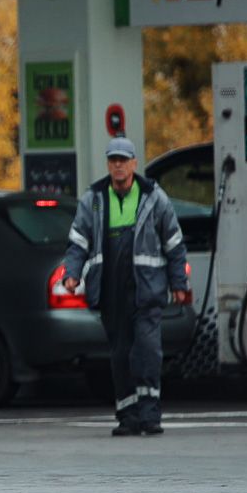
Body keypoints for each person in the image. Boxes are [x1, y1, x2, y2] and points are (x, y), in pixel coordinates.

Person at [62, 136, 188, 436]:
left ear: (133, 164)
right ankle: (128, 416)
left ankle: (150, 414)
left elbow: (173, 242)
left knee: (147, 351)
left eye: (123, 160)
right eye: (113, 160)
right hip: (111, 290)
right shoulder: (93, 198)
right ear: (109, 164)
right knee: (120, 354)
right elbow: (78, 241)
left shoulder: (153, 196)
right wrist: (72, 273)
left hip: (147, 290)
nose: (118, 165)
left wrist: (179, 282)